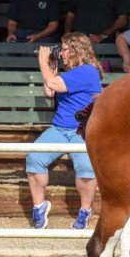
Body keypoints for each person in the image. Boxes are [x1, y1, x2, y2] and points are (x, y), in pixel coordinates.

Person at [26, 33, 103, 230]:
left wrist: (42, 61)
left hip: (82, 129)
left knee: (86, 167)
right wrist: (51, 67)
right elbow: (49, 91)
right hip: (59, 128)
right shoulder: (69, 71)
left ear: (77, 50)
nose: (61, 53)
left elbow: (52, 84)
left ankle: (85, 210)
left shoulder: (88, 71)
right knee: (34, 158)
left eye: (65, 49)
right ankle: (39, 206)